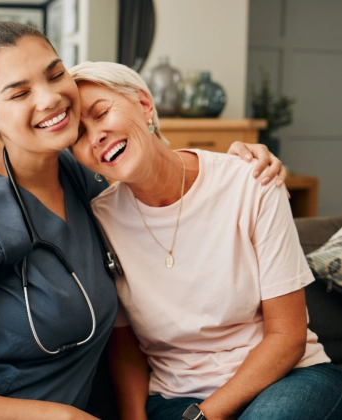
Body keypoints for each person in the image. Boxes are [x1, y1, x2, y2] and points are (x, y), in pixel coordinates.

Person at [0, 21, 283, 419]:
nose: (50, 98)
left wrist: (236, 162)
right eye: (20, 93)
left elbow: (156, 162)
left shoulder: (83, 173)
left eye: (55, 75)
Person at [69, 61, 342, 420]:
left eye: (101, 113)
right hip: (173, 400)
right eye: (77, 135)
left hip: (287, 381)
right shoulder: (99, 220)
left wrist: (204, 416)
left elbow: (287, 337)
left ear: (144, 105)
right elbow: (126, 348)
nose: (95, 136)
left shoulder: (251, 181)